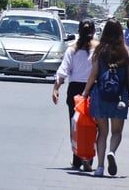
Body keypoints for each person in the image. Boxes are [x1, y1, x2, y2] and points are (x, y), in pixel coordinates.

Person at [81, 18, 129, 177]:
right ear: (121, 33)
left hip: (100, 94)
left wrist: (85, 93)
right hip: (119, 96)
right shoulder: (128, 52)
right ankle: (111, 152)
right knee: (117, 132)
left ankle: (99, 167)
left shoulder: (99, 51)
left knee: (102, 132)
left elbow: (93, 74)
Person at [52, 19, 98, 172]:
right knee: (93, 125)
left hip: (75, 90)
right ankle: (89, 157)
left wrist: (56, 89)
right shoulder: (99, 49)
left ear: (78, 31)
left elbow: (63, 71)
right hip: (93, 89)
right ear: (93, 32)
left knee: (75, 124)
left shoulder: (72, 49)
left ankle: (77, 159)